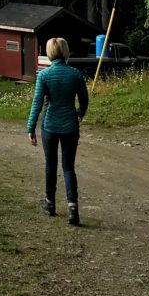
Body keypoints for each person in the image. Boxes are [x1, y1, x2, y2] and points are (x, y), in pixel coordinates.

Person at [26, 37, 89, 226]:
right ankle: (73, 209)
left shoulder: (44, 76)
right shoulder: (75, 74)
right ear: (66, 51)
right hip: (70, 125)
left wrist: (30, 127)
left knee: (50, 165)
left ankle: (50, 204)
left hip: (50, 126)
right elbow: (84, 100)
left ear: (50, 53)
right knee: (68, 167)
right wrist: (79, 113)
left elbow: (37, 103)